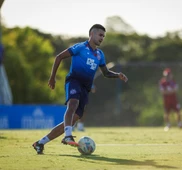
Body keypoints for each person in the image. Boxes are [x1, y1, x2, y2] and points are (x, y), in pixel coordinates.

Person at [32, 24, 128, 154]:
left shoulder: (100, 54)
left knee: (74, 118)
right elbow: (59, 57)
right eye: (100, 35)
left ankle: (40, 143)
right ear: (92, 34)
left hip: (85, 88)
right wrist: (52, 78)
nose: (102, 38)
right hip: (74, 81)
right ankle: (68, 136)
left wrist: (118, 75)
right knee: (72, 104)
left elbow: (106, 73)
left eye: (103, 36)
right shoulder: (80, 47)